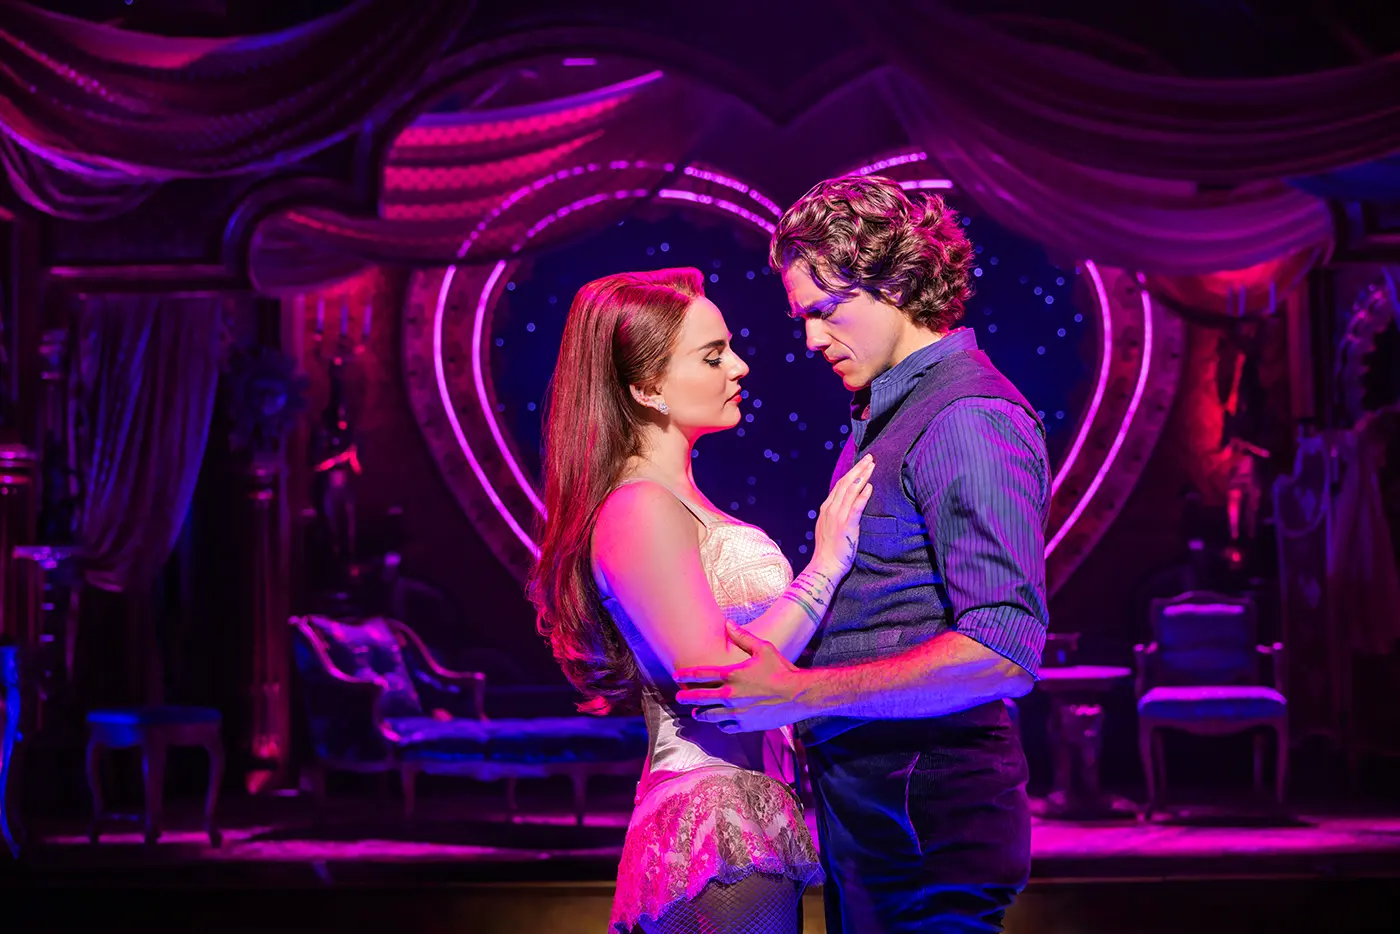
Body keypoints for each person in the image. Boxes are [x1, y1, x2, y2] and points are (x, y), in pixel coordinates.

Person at [674, 176, 1051, 933]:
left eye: (825, 310)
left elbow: (1005, 649)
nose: (811, 339)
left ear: (898, 280)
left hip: (927, 819)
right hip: (881, 814)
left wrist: (799, 695)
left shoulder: (969, 415)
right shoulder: (889, 412)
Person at [527, 267, 877, 934]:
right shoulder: (637, 508)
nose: (740, 366)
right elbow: (716, 676)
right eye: (713, 355)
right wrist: (825, 568)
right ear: (646, 387)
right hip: (712, 812)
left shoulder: (675, 502)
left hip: (741, 802)